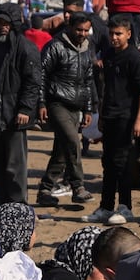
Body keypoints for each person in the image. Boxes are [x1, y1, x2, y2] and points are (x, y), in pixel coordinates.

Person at [0, 5, 42, 205]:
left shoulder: (25, 48)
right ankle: (1, 209)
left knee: (14, 169)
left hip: (14, 117)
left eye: (6, 23)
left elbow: (33, 81)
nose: (2, 27)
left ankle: (18, 211)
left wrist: (25, 108)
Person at [91, 16, 140, 225]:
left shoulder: (133, 58)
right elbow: (106, 87)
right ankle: (106, 207)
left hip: (127, 117)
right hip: (110, 116)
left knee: (123, 164)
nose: (114, 38)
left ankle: (125, 207)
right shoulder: (108, 55)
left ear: (128, 34)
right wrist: (101, 114)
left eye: (118, 34)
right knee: (108, 162)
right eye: (111, 34)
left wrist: (139, 120)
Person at [36, 12, 96, 207]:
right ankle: (78, 186)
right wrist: (42, 103)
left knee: (62, 150)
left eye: (86, 30)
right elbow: (41, 75)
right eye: (79, 30)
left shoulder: (87, 50)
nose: (82, 34)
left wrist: (88, 109)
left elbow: (88, 82)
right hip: (57, 103)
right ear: (70, 27)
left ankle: (45, 189)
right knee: (72, 142)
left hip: (76, 106)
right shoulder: (55, 46)